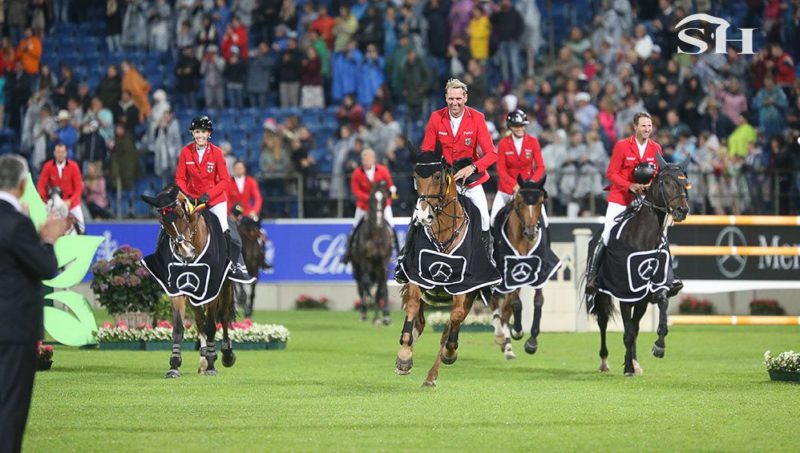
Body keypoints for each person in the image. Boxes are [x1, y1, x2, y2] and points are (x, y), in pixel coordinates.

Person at [0, 154, 72, 453]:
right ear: (22, 184)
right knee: (10, 411)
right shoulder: (17, 223)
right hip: (13, 331)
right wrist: (48, 240)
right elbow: (45, 267)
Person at [584, 111, 681, 296]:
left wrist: (650, 186)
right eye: (643, 125)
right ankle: (592, 276)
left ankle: (669, 277)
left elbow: (658, 175)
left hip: (645, 198)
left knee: (662, 233)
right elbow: (611, 173)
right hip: (621, 197)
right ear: (635, 127)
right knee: (607, 233)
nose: (647, 129)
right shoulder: (622, 146)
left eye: (649, 126)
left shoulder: (656, 148)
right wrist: (630, 186)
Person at [419, 78, 498, 256]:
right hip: (446, 181)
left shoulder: (477, 118)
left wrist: (473, 168)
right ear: (446, 98)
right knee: (420, 215)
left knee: (484, 218)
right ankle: (407, 256)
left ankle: (487, 259)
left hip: (471, 181)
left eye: (458, 99)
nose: (454, 103)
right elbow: (427, 150)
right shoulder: (436, 117)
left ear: (465, 98)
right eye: (451, 99)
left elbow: (492, 154)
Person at [174, 116, 250, 281]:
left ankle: (232, 265)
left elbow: (224, 180)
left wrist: (209, 195)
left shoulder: (217, 152)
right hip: (192, 199)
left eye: (203, 132)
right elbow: (180, 178)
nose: (200, 135)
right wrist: (187, 195)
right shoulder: (185, 152)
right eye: (197, 132)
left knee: (223, 228)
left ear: (209, 134)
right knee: (178, 226)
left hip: (214, 199)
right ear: (192, 133)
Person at [489, 109, 547, 227]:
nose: (520, 128)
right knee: (493, 220)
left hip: (528, 189)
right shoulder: (503, 143)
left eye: (522, 125)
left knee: (545, 221)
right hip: (507, 189)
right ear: (510, 127)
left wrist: (531, 183)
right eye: (516, 126)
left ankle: (546, 239)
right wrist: (513, 184)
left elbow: (540, 166)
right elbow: (501, 170)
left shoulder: (533, 142)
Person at [343, 148, 398, 264]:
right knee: (355, 227)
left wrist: (391, 190)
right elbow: (355, 190)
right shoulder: (357, 173)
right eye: (364, 159)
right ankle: (348, 252)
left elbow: (389, 183)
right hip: (364, 205)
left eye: (368, 159)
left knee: (391, 226)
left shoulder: (382, 170)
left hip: (382, 205)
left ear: (373, 159)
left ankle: (399, 252)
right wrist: (368, 198)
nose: (367, 161)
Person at [36, 143, 85, 233]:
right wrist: (45, 201)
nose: (60, 155)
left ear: (66, 153)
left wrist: (70, 201)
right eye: (58, 152)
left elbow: (79, 187)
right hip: (55, 204)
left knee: (81, 228)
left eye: (62, 152)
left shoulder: (73, 166)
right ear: (54, 153)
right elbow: (41, 185)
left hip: (71, 204)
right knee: (45, 227)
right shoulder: (48, 166)